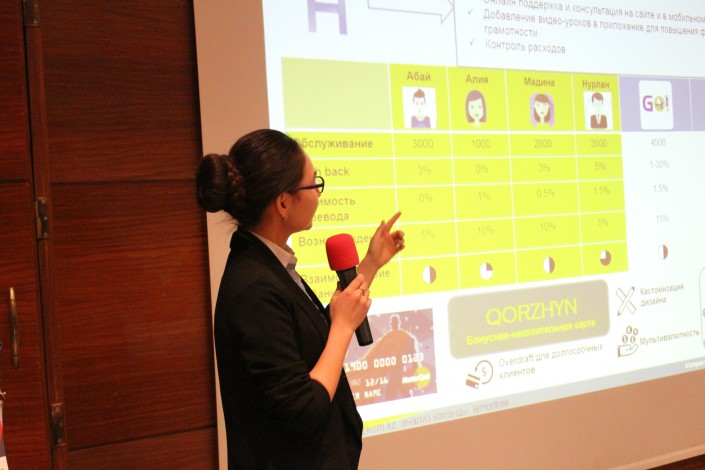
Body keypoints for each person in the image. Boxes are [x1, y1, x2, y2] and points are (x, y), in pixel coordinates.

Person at [196, 129, 405, 469]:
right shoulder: (252, 287)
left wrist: (369, 264)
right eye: (313, 184)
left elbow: (306, 339)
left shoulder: (267, 263)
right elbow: (304, 408)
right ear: (283, 203)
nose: (318, 194)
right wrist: (342, 328)